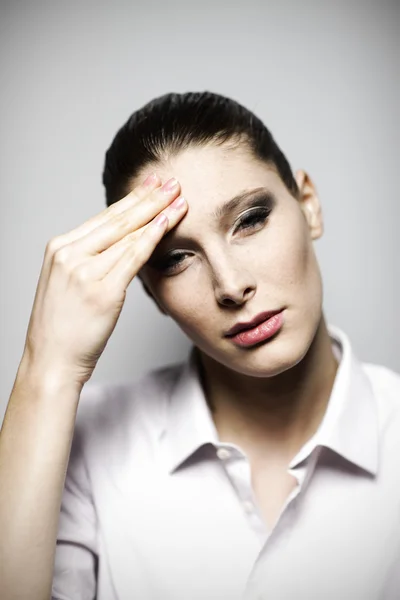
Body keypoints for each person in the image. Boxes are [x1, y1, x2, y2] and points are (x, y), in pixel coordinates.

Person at [0, 91, 399, 600]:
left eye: (250, 219)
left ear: (309, 206)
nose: (230, 286)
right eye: (176, 259)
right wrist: (46, 369)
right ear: (148, 289)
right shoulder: (84, 446)